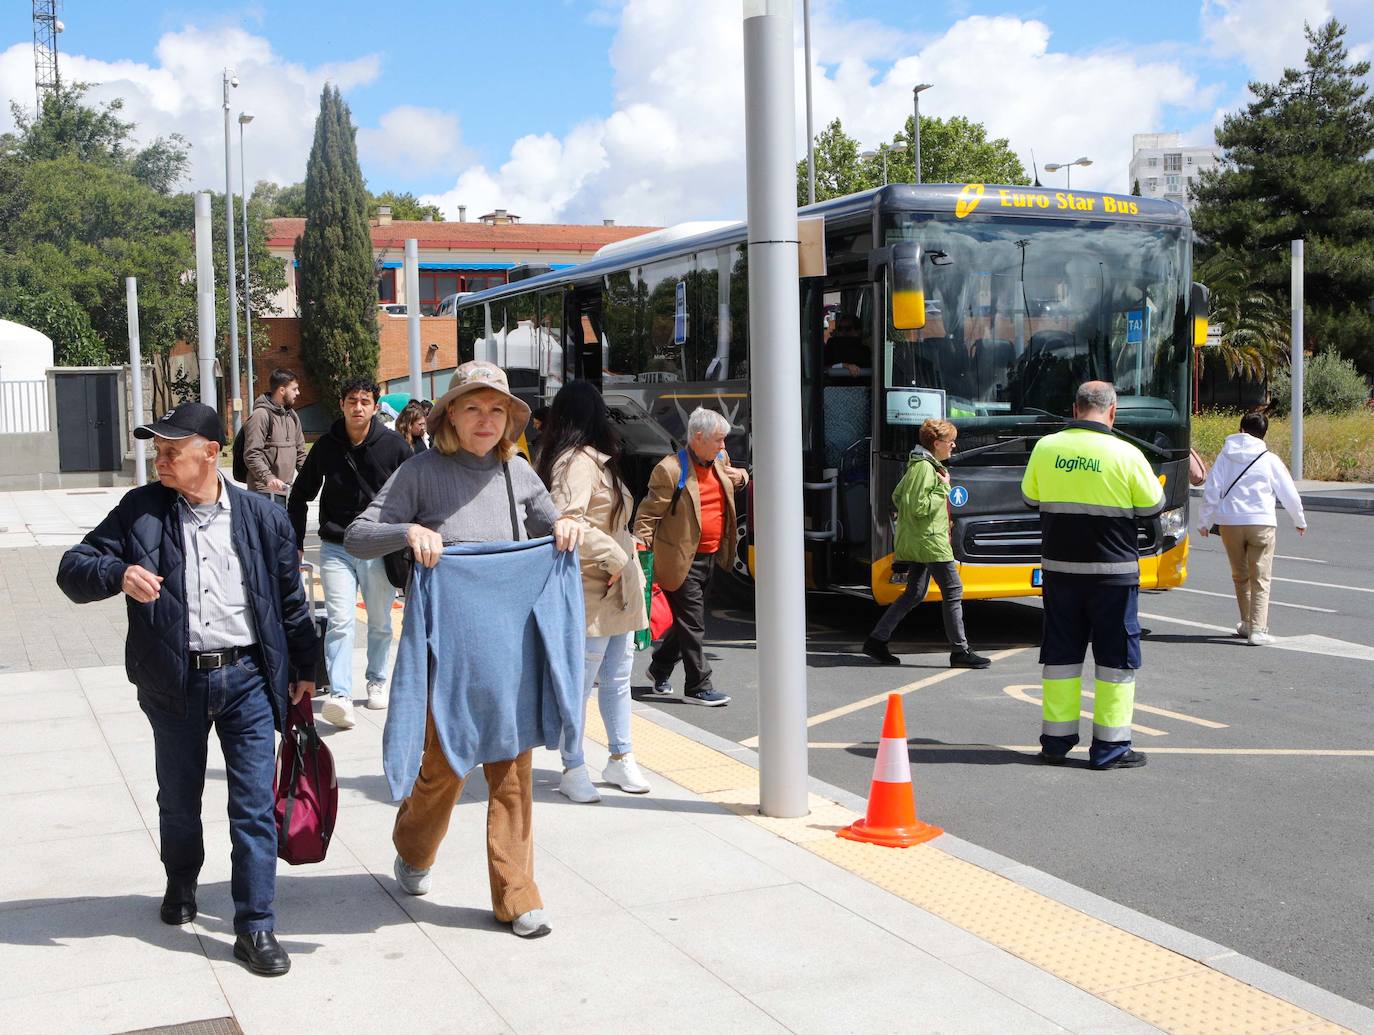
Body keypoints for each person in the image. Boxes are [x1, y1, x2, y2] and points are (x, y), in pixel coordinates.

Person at [55, 402, 318, 976]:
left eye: (174, 449)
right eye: (158, 450)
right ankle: (181, 880)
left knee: (252, 806)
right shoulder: (140, 511)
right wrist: (116, 573)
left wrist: (306, 667)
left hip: (248, 679)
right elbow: (71, 569)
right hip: (173, 682)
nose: (161, 459)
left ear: (211, 453)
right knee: (178, 800)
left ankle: (256, 926)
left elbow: (291, 601)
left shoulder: (260, 516)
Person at [344, 361, 585, 939]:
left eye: (496, 409)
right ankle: (413, 847)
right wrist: (408, 533)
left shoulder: (518, 472)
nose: (485, 419)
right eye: (473, 407)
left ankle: (517, 895)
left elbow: (555, 526)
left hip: (511, 653)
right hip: (446, 653)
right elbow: (358, 533)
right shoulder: (421, 472)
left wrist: (568, 527)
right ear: (451, 412)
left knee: (512, 774)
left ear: (509, 419)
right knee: (444, 769)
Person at [1021, 381, 1164, 771]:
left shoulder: (1046, 448)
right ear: (1113, 411)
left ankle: (1055, 741)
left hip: (1059, 573)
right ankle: (1110, 748)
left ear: (1075, 407)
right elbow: (1153, 505)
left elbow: (1031, 498)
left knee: (1061, 658)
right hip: (1112, 576)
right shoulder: (1127, 453)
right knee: (1116, 660)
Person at [536, 381, 651, 803]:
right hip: (593, 584)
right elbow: (567, 522)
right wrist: (615, 556)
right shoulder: (577, 462)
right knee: (582, 682)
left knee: (617, 676)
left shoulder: (592, 460)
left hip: (613, 583)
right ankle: (573, 763)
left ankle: (620, 756)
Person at [288, 378, 413, 728]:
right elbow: (299, 496)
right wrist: (296, 543)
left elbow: (417, 494)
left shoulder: (394, 447)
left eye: (365, 401)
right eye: (351, 400)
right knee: (340, 621)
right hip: (335, 547)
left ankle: (377, 680)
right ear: (341, 404)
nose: (358, 407)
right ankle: (341, 694)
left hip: (379, 546)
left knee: (379, 621)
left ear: (375, 407)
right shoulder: (327, 446)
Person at [633, 407, 749, 706]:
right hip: (679, 559)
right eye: (718, 440)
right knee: (694, 623)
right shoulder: (670, 469)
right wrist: (641, 553)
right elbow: (647, 515)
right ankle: (699, 685)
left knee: (687, 622)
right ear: (698, 437)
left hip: (711, 556)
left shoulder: (719, 460)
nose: (724, 446)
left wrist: (743, 477)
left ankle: (659, 668)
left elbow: (732, 480)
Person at [863, 419, 990, 669]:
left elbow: (898, 496)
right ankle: (960, 650)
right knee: (953, 590)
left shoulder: (921, 464)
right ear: (936, 443)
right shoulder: (924, 468)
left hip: (923, 540)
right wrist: (943, 489)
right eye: (949, 441)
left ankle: (877, 640)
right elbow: (917, 506)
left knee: (914, 593)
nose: (954, 445)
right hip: (930, 542)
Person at [1197, 410, 1307, 646]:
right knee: (1261, 577)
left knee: (1241, 576)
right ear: (1263, 434)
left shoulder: (1225, 456)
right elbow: (1288, 492)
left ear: (1240, 430)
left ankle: (1246, 623)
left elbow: (1212, 490)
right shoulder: (1270, 459)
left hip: (1230, 524)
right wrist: (1299, 520)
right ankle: (1258, 629)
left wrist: (1204, 522)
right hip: (1261, 523)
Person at [243, 368, 306, 501]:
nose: (298, 393)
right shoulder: (260, 415)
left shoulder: (292, 416)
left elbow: (300, 453)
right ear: (282, 390)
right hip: (263, 493)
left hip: (287, 492)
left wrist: (311, 475)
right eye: (294, 389)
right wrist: (269, 478)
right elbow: (252, 454)